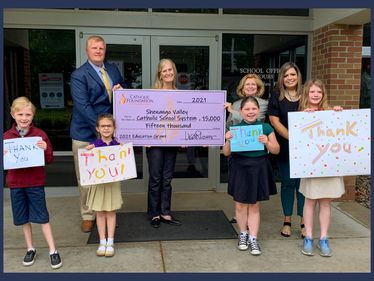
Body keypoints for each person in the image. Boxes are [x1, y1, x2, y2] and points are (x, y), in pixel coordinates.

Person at [70, 35, 125, 233]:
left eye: (101, 48)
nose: (98, 51)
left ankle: (107, 211)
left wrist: (120, 92)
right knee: (86, 178)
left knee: (108, 176)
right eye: (94, 48)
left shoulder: (112, 70)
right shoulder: (79, 75)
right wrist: (101, 129)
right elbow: (83, 106)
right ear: (87, 51)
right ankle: (87, 215)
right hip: (85, 133)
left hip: (108, 135)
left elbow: (122, 97)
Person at [3, 97, 63, 269]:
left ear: (33, 115)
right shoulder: (6, 137)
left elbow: (49, 158)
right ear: (13, 114)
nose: (24, 118)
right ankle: (30, 248)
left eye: (28, 114)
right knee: (23, 218)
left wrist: (45, 148)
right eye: (20, 114)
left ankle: (53, 250)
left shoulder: (39, 135)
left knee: (42, 216)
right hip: (16, 184)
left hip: (35, 182)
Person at [223, 96, 280, 255]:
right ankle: (243, 234)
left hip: (259, 167)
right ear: (241, 111)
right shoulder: (234, 129)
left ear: (258, 110)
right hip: (239, 167)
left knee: (254, 205)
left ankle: (253, 238)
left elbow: (276, 150)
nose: (250, 112)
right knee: (240, 205)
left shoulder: (266, 127)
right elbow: (226, 152)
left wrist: (267, 142)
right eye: (247, 109)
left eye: (253, 109)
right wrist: (227, 141)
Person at [298, 79, 345, 257]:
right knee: (310, 201)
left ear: (323, 94)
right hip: (312, 165)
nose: (315, 95)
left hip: (330, 165)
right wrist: (304, 117)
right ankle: (308, 237)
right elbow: (299, 138)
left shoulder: (331, 114)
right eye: (312, 92)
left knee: (325, 202)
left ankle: (324, 238)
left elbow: (343, 134)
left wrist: (339, 114)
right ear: (306, 95)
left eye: (319, 92)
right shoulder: (302, 115)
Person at [268, 62, 306, 238]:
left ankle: (304, 222)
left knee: (303, 185)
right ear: (281, 78)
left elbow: (320, 111)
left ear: (298, 76)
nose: (290, 78)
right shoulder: (276, 95)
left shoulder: (306, 93)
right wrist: (293, 138)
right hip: (286, 147)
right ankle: (287, 221)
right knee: (288, 184)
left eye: (293, 74)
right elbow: (274, 121)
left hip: (307, 148)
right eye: (286, 75)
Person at [224, 73, 268, 224]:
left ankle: (250, 218)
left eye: (253, 84)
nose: (250, 87)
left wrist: (232, 111)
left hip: (254, 151)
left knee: (252, 186)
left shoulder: (262, 103)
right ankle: (240, 215)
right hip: (237, 149)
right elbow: (230, 124)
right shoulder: (235, 104)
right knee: (240, 185)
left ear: (258, 88)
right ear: (242, 88)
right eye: (247, 84)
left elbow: (256, 120)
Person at [147, 58, 181, 228]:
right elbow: (143, 117)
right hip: (154, 142)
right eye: (164, 70)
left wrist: (185, 138)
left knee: (167, 179)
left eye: (170, 70)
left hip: (172, 141)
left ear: (174, 72)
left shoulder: (180, 94)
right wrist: (142, 137)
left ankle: (165, 213)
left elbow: (183, 119)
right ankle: (154, 214)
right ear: (160, 74)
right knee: (155, 178)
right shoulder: (152, 94)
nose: (168, 73)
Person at [85, 113, 123, 257]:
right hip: (98, 183)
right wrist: (87, 154)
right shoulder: (92, 147)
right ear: (98, 128)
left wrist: (123, 151)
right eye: (103, 126)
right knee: (100, 212)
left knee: (111, 212)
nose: (106, 128)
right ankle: (102, 241)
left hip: (112, 184)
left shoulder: (119, 146)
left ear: (114, 128)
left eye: (109, 126)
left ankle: (111, 242)